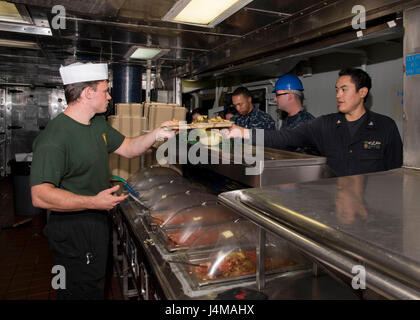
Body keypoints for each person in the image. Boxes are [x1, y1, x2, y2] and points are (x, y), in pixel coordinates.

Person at [29, 62, 176, 300]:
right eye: (105, 90)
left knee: (96, 284)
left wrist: (156, 134)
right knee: (78, 291)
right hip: (73, 229)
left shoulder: (97, 123)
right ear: (88, 93)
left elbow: (128, 148)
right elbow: (40, 195)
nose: (109, 96)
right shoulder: (54, 138)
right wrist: (93, 201)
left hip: (96, 220)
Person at [223, 68, 403, 177]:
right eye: (336, 90)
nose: (338, 95)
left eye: (344, 89)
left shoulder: (385, 126)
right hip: (335, 204)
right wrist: (243, 133)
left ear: (362, 92)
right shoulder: (325, 125)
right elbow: (285, 138)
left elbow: (395, 173)